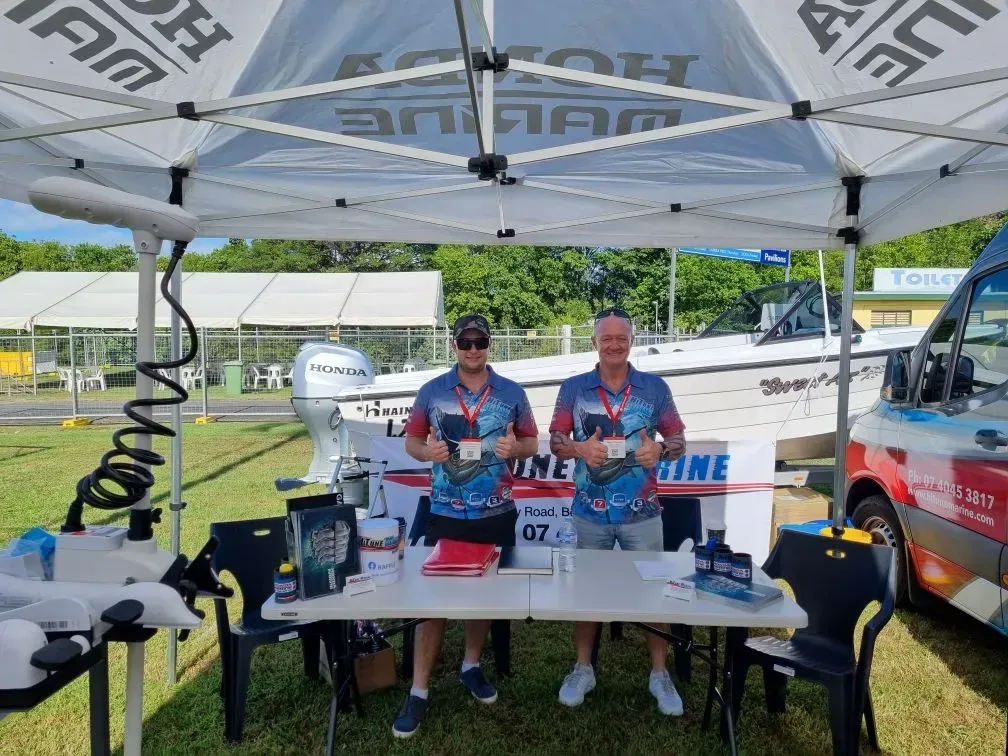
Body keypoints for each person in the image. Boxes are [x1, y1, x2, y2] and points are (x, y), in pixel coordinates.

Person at [392, 313, 539, 739]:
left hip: (496, 511)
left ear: (490, 344)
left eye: (481, 342)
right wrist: (428, 453)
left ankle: (470, 665)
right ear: (453, 344)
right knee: (432, 602)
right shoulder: (432, 391)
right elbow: (412, 441)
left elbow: (532, 441)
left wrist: (518, 447)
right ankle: (419, 690)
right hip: (446, 512)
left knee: (486, 596)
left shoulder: (511, 392)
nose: (473, 349)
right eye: (465, 342)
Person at [548, 306, 687, 715]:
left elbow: (679, 439)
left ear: (631, 342)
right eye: (605, 338)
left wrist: (659, 449)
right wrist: (579, 448)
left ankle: (659, 673)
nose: (613, 345)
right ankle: (583, 668)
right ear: (594, 343)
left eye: (621, 338)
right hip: (588, 512)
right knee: (584, 592)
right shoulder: (574, 389)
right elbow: (556, 441)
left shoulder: (654, 388)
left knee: (653, 591)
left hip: (642, 512)